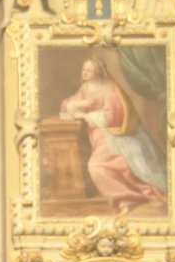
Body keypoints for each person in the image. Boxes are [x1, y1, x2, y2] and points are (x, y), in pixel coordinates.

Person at [56, 55, 167, 214]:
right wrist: (79, 104)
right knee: (107, 166)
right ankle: (127, 199)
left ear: (99, 72)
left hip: (114, 135)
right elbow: (66, 105)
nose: (85, 73)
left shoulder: (109, 90)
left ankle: (127, 198)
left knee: (97, 166)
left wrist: (86, 116)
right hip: (97, 136)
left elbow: (111, 118)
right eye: (84, 69)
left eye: (90, 70)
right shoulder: (86, 88)